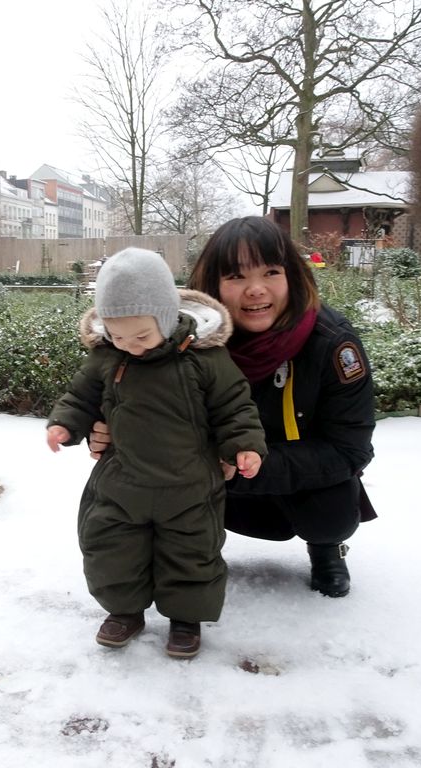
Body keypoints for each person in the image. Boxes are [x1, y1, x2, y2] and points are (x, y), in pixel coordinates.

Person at [89, 217, 376, 597]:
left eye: (271, 272)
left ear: (292, 275)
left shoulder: (332, 344)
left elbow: (350, 449)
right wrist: (112, 433)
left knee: (331, 509)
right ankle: (174, 554)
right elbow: (135, 407)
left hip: (288, 480)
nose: (256, 290)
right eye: (236, 277)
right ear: (214, 286)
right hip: (209, 478)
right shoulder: (180, 344)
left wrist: (247, 464)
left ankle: (327, 548)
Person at [46, 247, 268, 659]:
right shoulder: (107, 357)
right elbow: (81, 396)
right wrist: (65, 424)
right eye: (118, 336)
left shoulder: (205, 359)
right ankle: (124, 611)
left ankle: (186, 618)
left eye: (141, 336)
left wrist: (244, 446)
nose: (129, 346)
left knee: (191, 553)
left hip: (189, 484)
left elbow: (235, 406)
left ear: (165, 318)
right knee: (111, 547)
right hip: (122, 482)